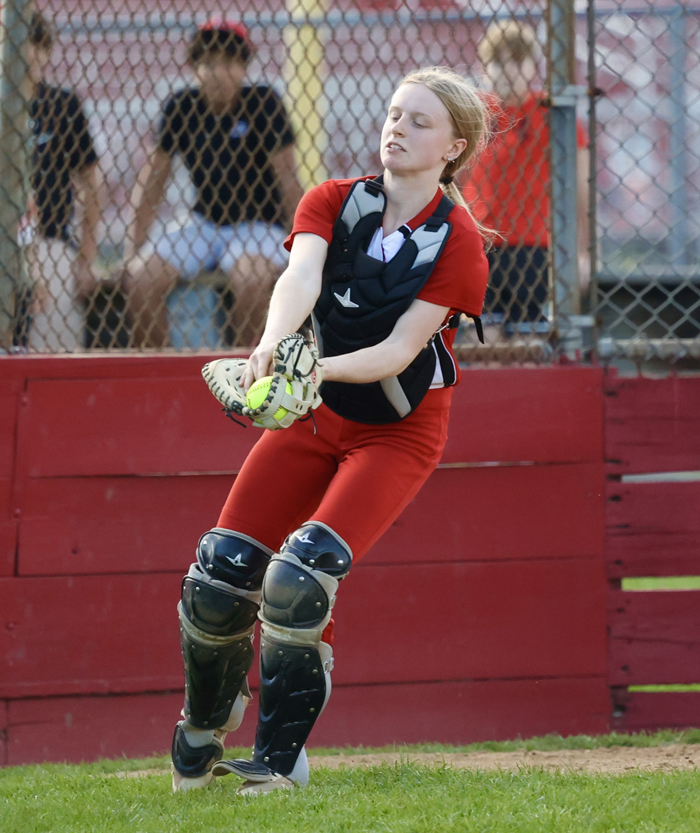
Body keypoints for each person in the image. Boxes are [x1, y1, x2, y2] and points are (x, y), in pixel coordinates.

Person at [170, 65, 489, 795]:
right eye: (394, 113)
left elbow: (399, 351)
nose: (397, 128)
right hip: (316, 416)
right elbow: (300, 278)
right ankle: (204, 722)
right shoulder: (333, 199)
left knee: (298, 577)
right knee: (221, 572)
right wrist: (271, 346)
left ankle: (279, 759)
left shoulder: (459, 240)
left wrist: (312, 369)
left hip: (397, 431)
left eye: (419, 121)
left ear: (454, 148)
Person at [124, 19, 304, 348]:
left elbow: (288, 179)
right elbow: (153, 181)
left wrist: (301, 249)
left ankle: (246, 370)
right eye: (208, 63)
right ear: (195, 68)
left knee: (251, 282)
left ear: (243, 67)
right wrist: (133, 249)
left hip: (258, 224)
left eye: (229, 62)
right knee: (140, 280)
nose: (218, 72)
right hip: (204, 222)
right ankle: (164, 370)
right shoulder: (182, 106)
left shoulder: (263, 103)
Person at [464, 20, 589, 338]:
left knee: (528, 336)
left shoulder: (550, 111)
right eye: (498, 61)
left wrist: (582, 251)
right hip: (482, 243)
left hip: (533, 245)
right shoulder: (476, 113)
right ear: (483, 67)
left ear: (534, 66)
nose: (507, 70)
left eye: (517, 61)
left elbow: (580, 186)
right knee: (484, 336)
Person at [19, 11, 101, 352]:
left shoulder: (62, 105)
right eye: (20, 43)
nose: (31, 53)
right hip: (8, 239)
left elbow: (91, 184)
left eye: (38, 44)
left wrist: (86, 258)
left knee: (55, 341)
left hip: (50, 242)